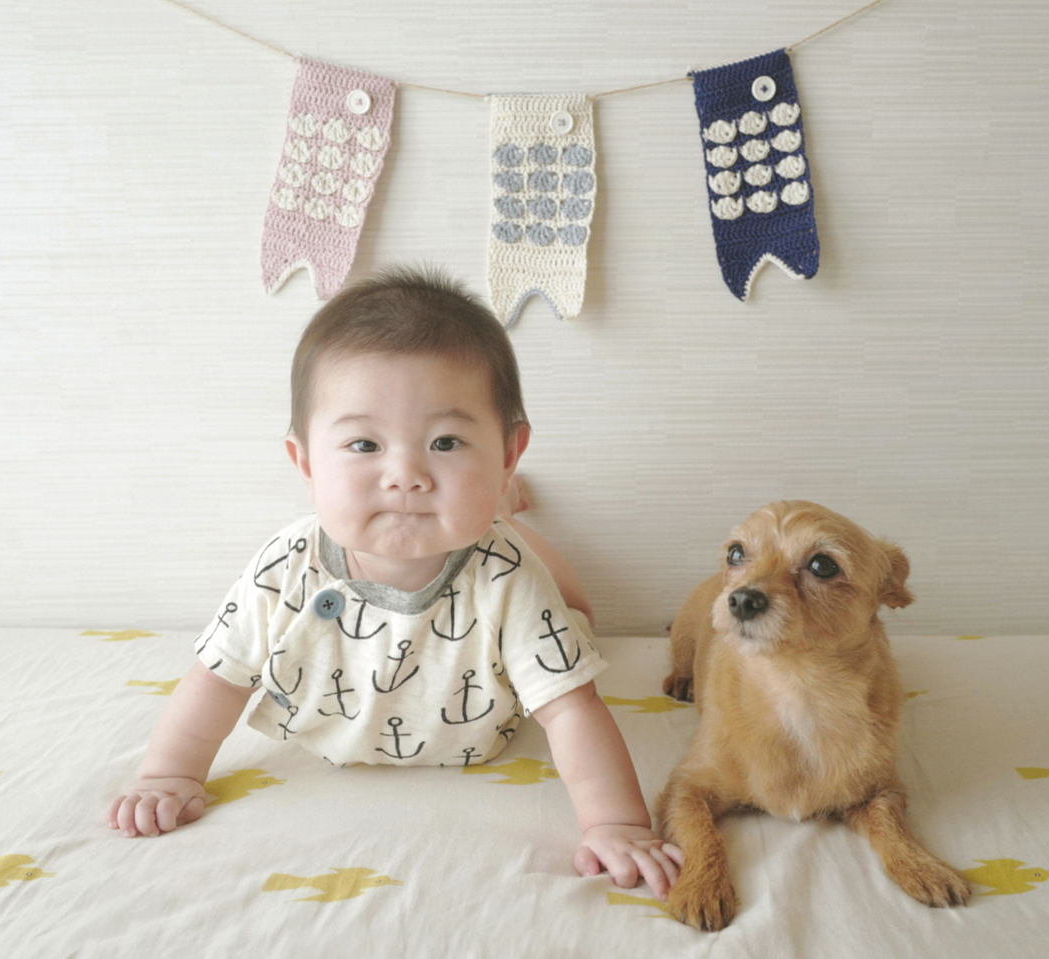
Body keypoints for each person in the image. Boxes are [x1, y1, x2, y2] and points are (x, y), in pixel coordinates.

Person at [106, 267, 682, 898]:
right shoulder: (285, 568)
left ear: (508, 452)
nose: (406, 474)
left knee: (571, 612)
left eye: (445, 441)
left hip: (487, 683)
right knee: (490, 530)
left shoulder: (507, 576)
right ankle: (495, 503)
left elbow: (573, 709)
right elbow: (217, 677)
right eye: (363, 445)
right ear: (304, 462)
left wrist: (616, 823)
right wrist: (167, 774)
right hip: (338, 724)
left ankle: (501, 510)